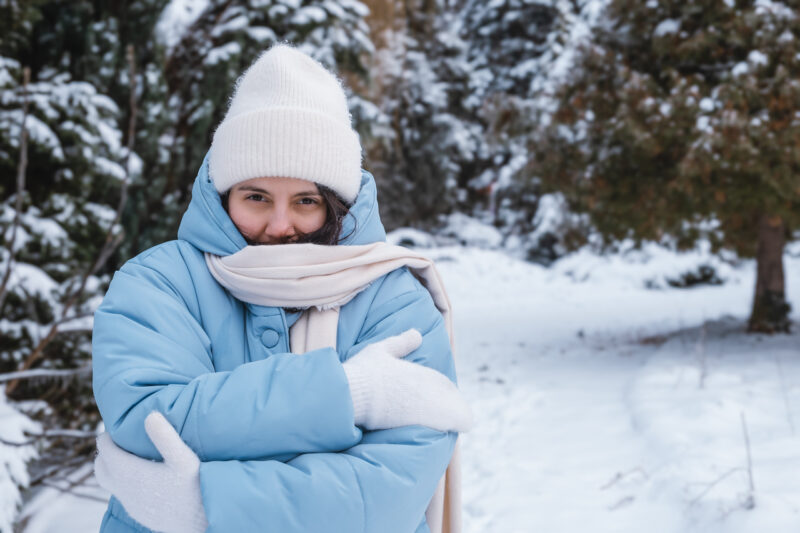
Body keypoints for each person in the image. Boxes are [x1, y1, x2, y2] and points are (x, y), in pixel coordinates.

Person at [91, 44, 471, 533]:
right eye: (256, 197)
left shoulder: (393, 301)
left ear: (336, 204)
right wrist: (349, 394)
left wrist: (207, 508)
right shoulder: (159, 282)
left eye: (305, 201)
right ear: (223, 194)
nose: (278, 225)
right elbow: (149, 419)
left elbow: (389, 491)